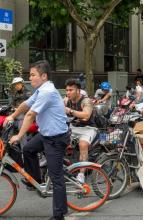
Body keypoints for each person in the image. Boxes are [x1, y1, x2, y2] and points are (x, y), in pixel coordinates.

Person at [5, 60, 69, 220]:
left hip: (56, 138)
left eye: (33, 75)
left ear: (44, 76)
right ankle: (36, 180)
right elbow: (25, 105)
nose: (30, 78)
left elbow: (30, 114)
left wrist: (19, 136)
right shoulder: (40, 90)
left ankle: (59, 215)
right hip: (46, 134)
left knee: (56, 178)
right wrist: (11, 116)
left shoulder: (47, 92)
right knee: (27, 149)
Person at [64, 79, 97, 183]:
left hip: (88, 129)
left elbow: (86, 115)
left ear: (78, 90)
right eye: (67, 90)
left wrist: (70, 111)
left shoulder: (86, 101)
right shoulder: (66, 100)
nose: (68, 93)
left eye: (71, 90)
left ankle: (81, 174)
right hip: (73, 127)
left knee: (83, 145)